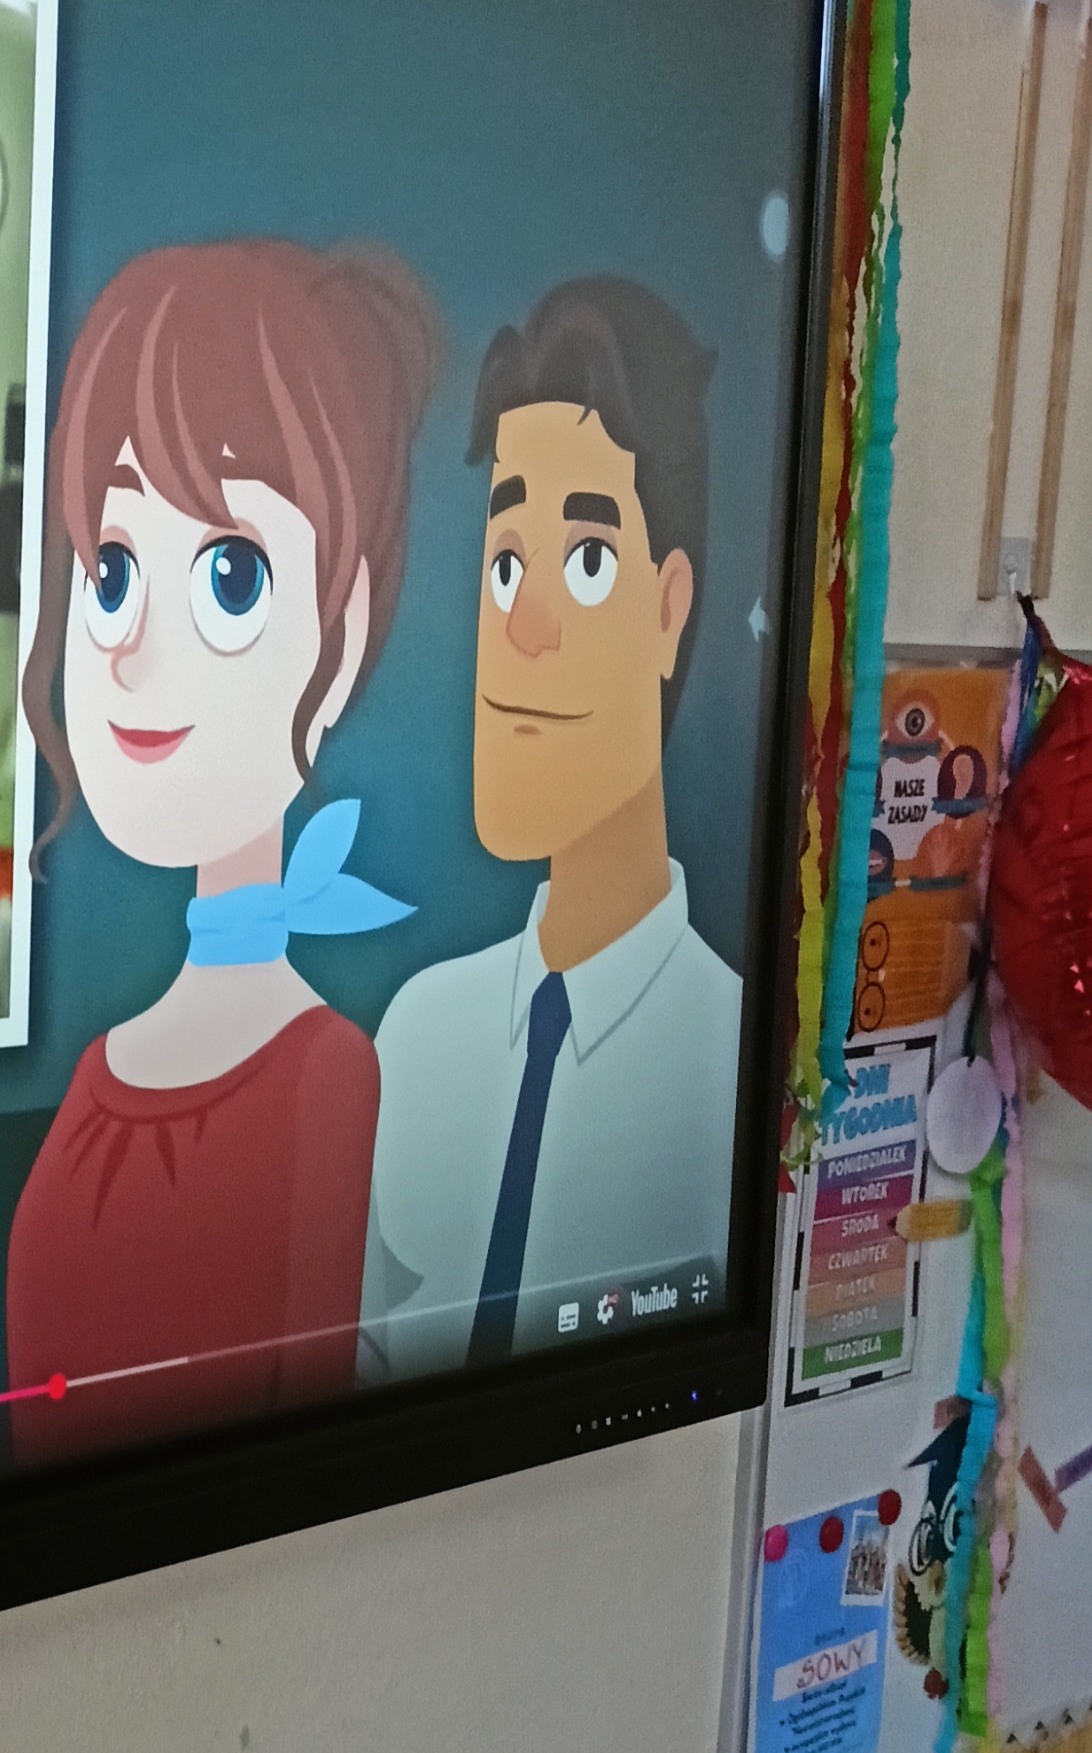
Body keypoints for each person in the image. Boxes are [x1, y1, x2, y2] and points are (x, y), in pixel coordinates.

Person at [7, 239, 437, 1462]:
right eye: (111, 570)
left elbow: (294, 1476)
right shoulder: (100, 1069)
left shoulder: (323, 1077)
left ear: (341, 637)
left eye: (231, 576)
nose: (135, 652)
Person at [358, 277, 742, 1383]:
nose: (521, 626)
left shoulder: (732, 1054)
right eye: (505, 563)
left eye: (586, 561)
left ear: (668, 608)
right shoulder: (415, 1036)